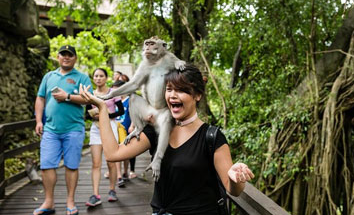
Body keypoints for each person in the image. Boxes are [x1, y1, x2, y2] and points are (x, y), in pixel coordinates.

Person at [79, 63, 254, 214]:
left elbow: (234, 191)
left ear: (197, 95)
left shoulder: (212, 137)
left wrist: (234, 178)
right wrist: (102, 108)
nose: (173, 95)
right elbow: (113, 153)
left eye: (182, 90)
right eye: (169, 89)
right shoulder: (155, 131)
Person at [33, 45, 93, 215]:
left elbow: (88, 99)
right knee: (46, 166)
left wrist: (67, 96)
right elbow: (40, 98)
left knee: (71, 166)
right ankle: (49, 202)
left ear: (75, 58)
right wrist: (38, 121)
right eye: (63, 54)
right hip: (50, 130)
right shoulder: (49, 76)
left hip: (73, 129)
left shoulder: (82, 77)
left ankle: (70, 202)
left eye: (70, 55)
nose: (66, 57)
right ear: (58, 57)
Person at [85, 68, 125, 207]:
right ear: (93, 78)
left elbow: (121, 110)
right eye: (96, 76)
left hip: (111, 127)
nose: (98, 78)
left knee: (111, 162)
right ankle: (95, 194)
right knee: (96, 163)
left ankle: (112, 190)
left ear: (106, 78)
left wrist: (105, 115)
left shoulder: (112, 93)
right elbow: (86, 115)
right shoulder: (91, 95)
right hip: (96, 128)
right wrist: (93, 115)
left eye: (101, 76)